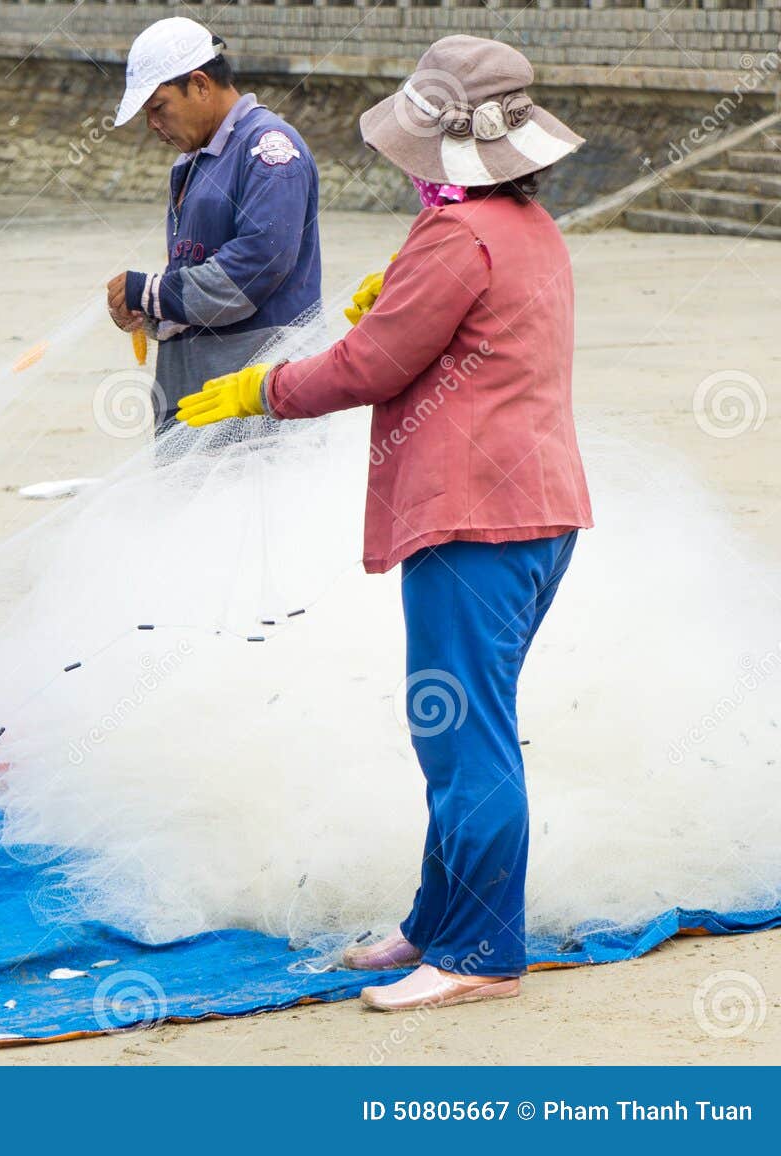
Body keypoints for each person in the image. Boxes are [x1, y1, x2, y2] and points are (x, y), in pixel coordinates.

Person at [177, 35, 592, 1013]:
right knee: (457, 727)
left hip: (473, 523)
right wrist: (390, 296)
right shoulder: (524, 226)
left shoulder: (457, 238)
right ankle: (434, 920)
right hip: (536, 516)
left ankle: (481, 951)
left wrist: (258, 388)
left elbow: (366, 367)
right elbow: (417, 324)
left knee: (463, 741)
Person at [106, 17, 321, 431]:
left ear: (201, 84)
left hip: (254, 403)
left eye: (158, 108)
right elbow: (192, 280)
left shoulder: (269, 151)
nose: (153, 125)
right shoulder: (192, 164)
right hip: (196, 396)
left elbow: (256, 265)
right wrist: (149, 311)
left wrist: (151, 292)